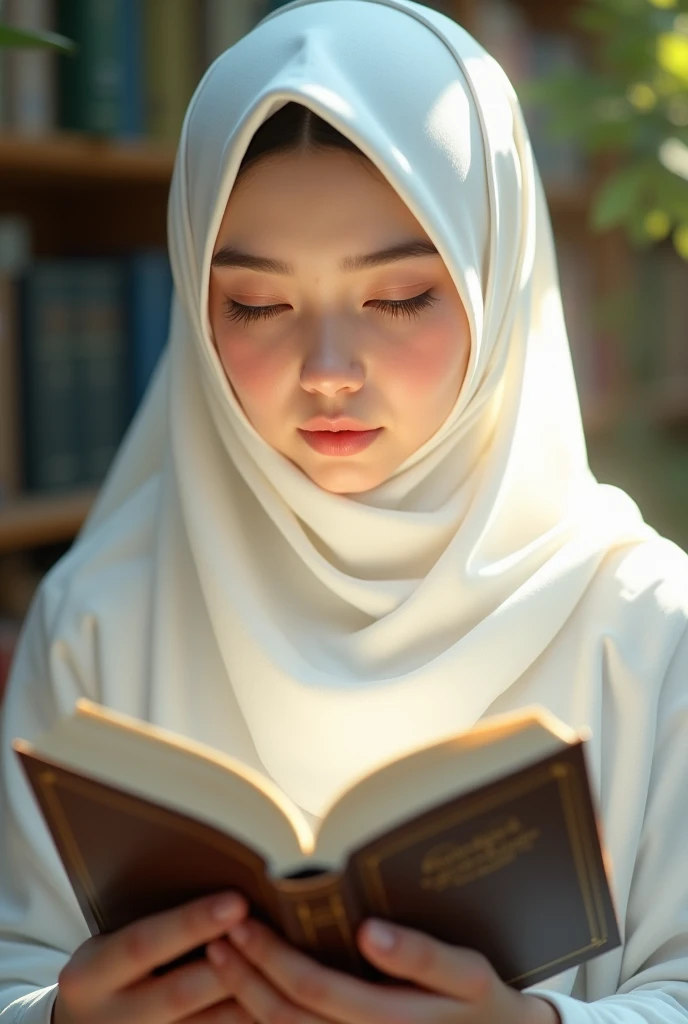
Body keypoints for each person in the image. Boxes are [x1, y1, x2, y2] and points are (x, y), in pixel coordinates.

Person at [1, 0, 687, 1021]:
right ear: (196, 303)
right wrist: (60, 1016)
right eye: (257, 306)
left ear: (497, 285)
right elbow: (19, 964)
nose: (326, 373)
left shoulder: (646, 621)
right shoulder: (97, 617)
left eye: (400, 297)